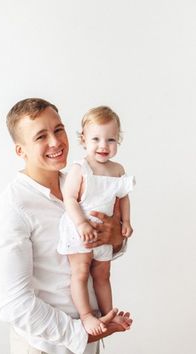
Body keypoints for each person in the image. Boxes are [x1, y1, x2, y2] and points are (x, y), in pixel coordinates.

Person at [0, 98, 133, 354]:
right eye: (41, 136)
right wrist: (78, 333)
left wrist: (116, 238)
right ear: (21, 151)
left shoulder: (84, 184)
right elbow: (13, 303)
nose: (55, 142)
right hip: (45, 347)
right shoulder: (11, 208)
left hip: (93, 340)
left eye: (58, 129)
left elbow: (104, 250)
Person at [57, 106, 135, 336]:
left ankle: (108, 313)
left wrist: (126, 222)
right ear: (83, 139)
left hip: (104, 234)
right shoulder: (81, 168)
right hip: (80, 230)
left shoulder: (118, 170)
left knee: (103, 274)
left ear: (118, 140)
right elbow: (69, 198)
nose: (103, 145)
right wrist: (81, 224)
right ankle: (86, 315)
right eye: (96, 139)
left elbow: (123, 198)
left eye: (111, 139)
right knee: (80, 272)